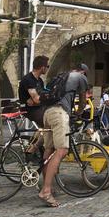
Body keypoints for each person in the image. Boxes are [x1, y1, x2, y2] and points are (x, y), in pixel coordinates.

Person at [39, 63, 89, 208]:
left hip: (47, 113)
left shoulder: (60, 76)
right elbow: (83, 100)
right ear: (84, 72)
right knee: (62, 150)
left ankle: (48, 185)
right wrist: (79, 113)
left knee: (49, 150)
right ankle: (46, 191)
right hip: (60, 113)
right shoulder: (81, 77)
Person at [18, 55, 49, 126]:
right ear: (43, 67)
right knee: (49, 120)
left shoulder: (40, 80)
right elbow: (37, 100)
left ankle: (42, 136)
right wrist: (44, 100)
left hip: (37, 108)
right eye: (47, 66)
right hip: (29, 110)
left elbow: (41, 97)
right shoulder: (28, 79)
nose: (47, 68)